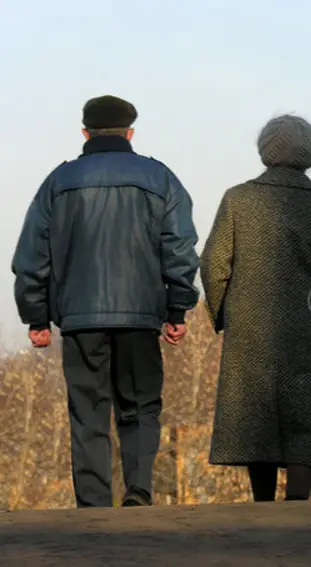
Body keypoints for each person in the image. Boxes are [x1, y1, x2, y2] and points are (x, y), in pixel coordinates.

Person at [11, 95, 200, 507]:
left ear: (85, 133)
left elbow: (32, 256)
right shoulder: (159, 178)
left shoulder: (58, 183)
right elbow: (181, 248)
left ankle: (93, 506)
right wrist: (177, 308)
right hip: (140, 315)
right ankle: (138, 492)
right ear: (130, 132)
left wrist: (36, 317)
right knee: (140, 406)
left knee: (88, 414)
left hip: (80, 319)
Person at [200, 114, 311, 502]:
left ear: (264, 150)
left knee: (257, 415)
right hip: (309, 327)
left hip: (250, 327)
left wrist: (225, 313)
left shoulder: (237, 199)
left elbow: (213, 263)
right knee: (305, 418)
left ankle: (263, 505)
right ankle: (298, 505)